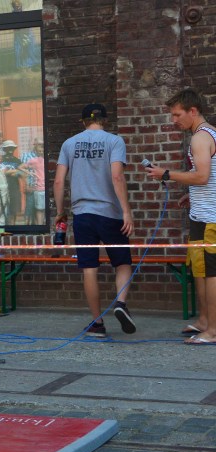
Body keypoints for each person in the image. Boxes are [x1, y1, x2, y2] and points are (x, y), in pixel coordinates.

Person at [53, 103, 136, 338]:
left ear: (83, 122)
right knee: (122, 263)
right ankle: (120, 303)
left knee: (89, 268)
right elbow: (117, 176)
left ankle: (97, 323)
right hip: (110, 214)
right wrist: (126, 211)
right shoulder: (114, 141)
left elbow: (59, 182)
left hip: (82, 215)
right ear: (105, 120)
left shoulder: (69, 144)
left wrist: (60, 211)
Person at [146, 88, 216, 344]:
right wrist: (192, 195)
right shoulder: (206, 135)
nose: (174, 120)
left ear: (193, 111)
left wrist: (167, 174)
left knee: (211, 273)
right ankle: (204, 321)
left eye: (177, 115)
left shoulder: (200, 138)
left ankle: (213, 331)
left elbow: (202, 176)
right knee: (199, 270)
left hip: (212, 218)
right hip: (202, 213)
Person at [0, 140, 25, 225]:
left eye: (12, 148)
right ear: (4, 149)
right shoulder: (0, 160)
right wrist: (13, 171)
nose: (10, 150)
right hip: (2, 187)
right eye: (8, 148)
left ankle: (12, 228)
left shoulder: (17, 161)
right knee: (2, 209)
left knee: (14, 210)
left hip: (14, 187)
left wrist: (16, 172)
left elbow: (23, 173)